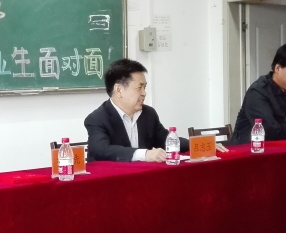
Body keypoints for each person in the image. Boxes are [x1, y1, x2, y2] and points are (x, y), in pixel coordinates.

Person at [85, 59, 225, 162]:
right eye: (139, 88)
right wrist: (145, 154)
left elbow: (165, 139)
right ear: (119, 90)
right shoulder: (97, 119)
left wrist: (199, 145)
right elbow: (101, 150)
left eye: (144, 87)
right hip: (111, 182)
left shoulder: (148, 114)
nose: (144, 93)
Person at [231, 43, 286, 145]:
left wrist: (282, 129)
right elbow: (269, 132)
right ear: (278, 68)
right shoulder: (257, 92)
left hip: (283, 148)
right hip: (250, 150)